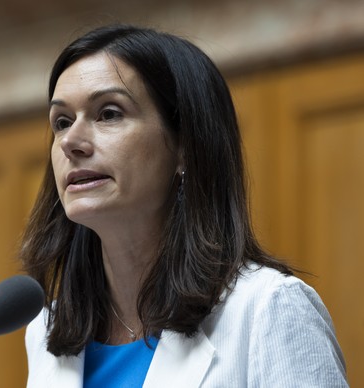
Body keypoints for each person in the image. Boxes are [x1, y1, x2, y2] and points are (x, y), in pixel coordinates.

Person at [20, 24, 347, 387]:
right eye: (62, 122)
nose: (71, 142)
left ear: (184, 147)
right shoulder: (44, 336)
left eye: (109, 113)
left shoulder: (268, 310)